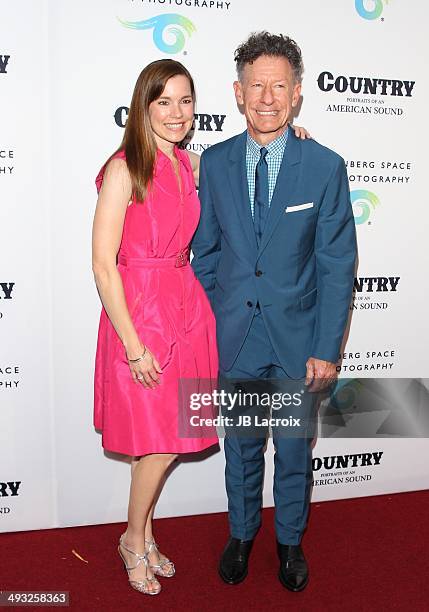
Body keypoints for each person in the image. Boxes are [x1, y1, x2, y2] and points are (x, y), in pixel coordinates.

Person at [191, 32, 357, 592]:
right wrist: (218, 315)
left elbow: (337, 265)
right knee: (239, 450)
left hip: (297, 341)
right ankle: (242, 533)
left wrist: (326, 348)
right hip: (236, 337)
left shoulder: (324, 167)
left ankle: (289, 541)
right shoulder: (213, 164)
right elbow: (206, 251)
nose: (267, 97)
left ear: (298, 93)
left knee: (292, 452)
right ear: (237, 93)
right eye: (255, 86)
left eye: (278, 86)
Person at [91, 59, 219, 596]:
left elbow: (246, 168)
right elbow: (102, 263)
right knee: (160, 444)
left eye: (185, 101)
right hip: (139, 315)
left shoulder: (191, 165)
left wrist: (295, 136)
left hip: (184, 307)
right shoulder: (125, 167)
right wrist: (133, 344)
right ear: (143, 106)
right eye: (163, 101)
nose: (176, 112)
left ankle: (140, 534)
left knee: (160, 442)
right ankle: (131, 541)